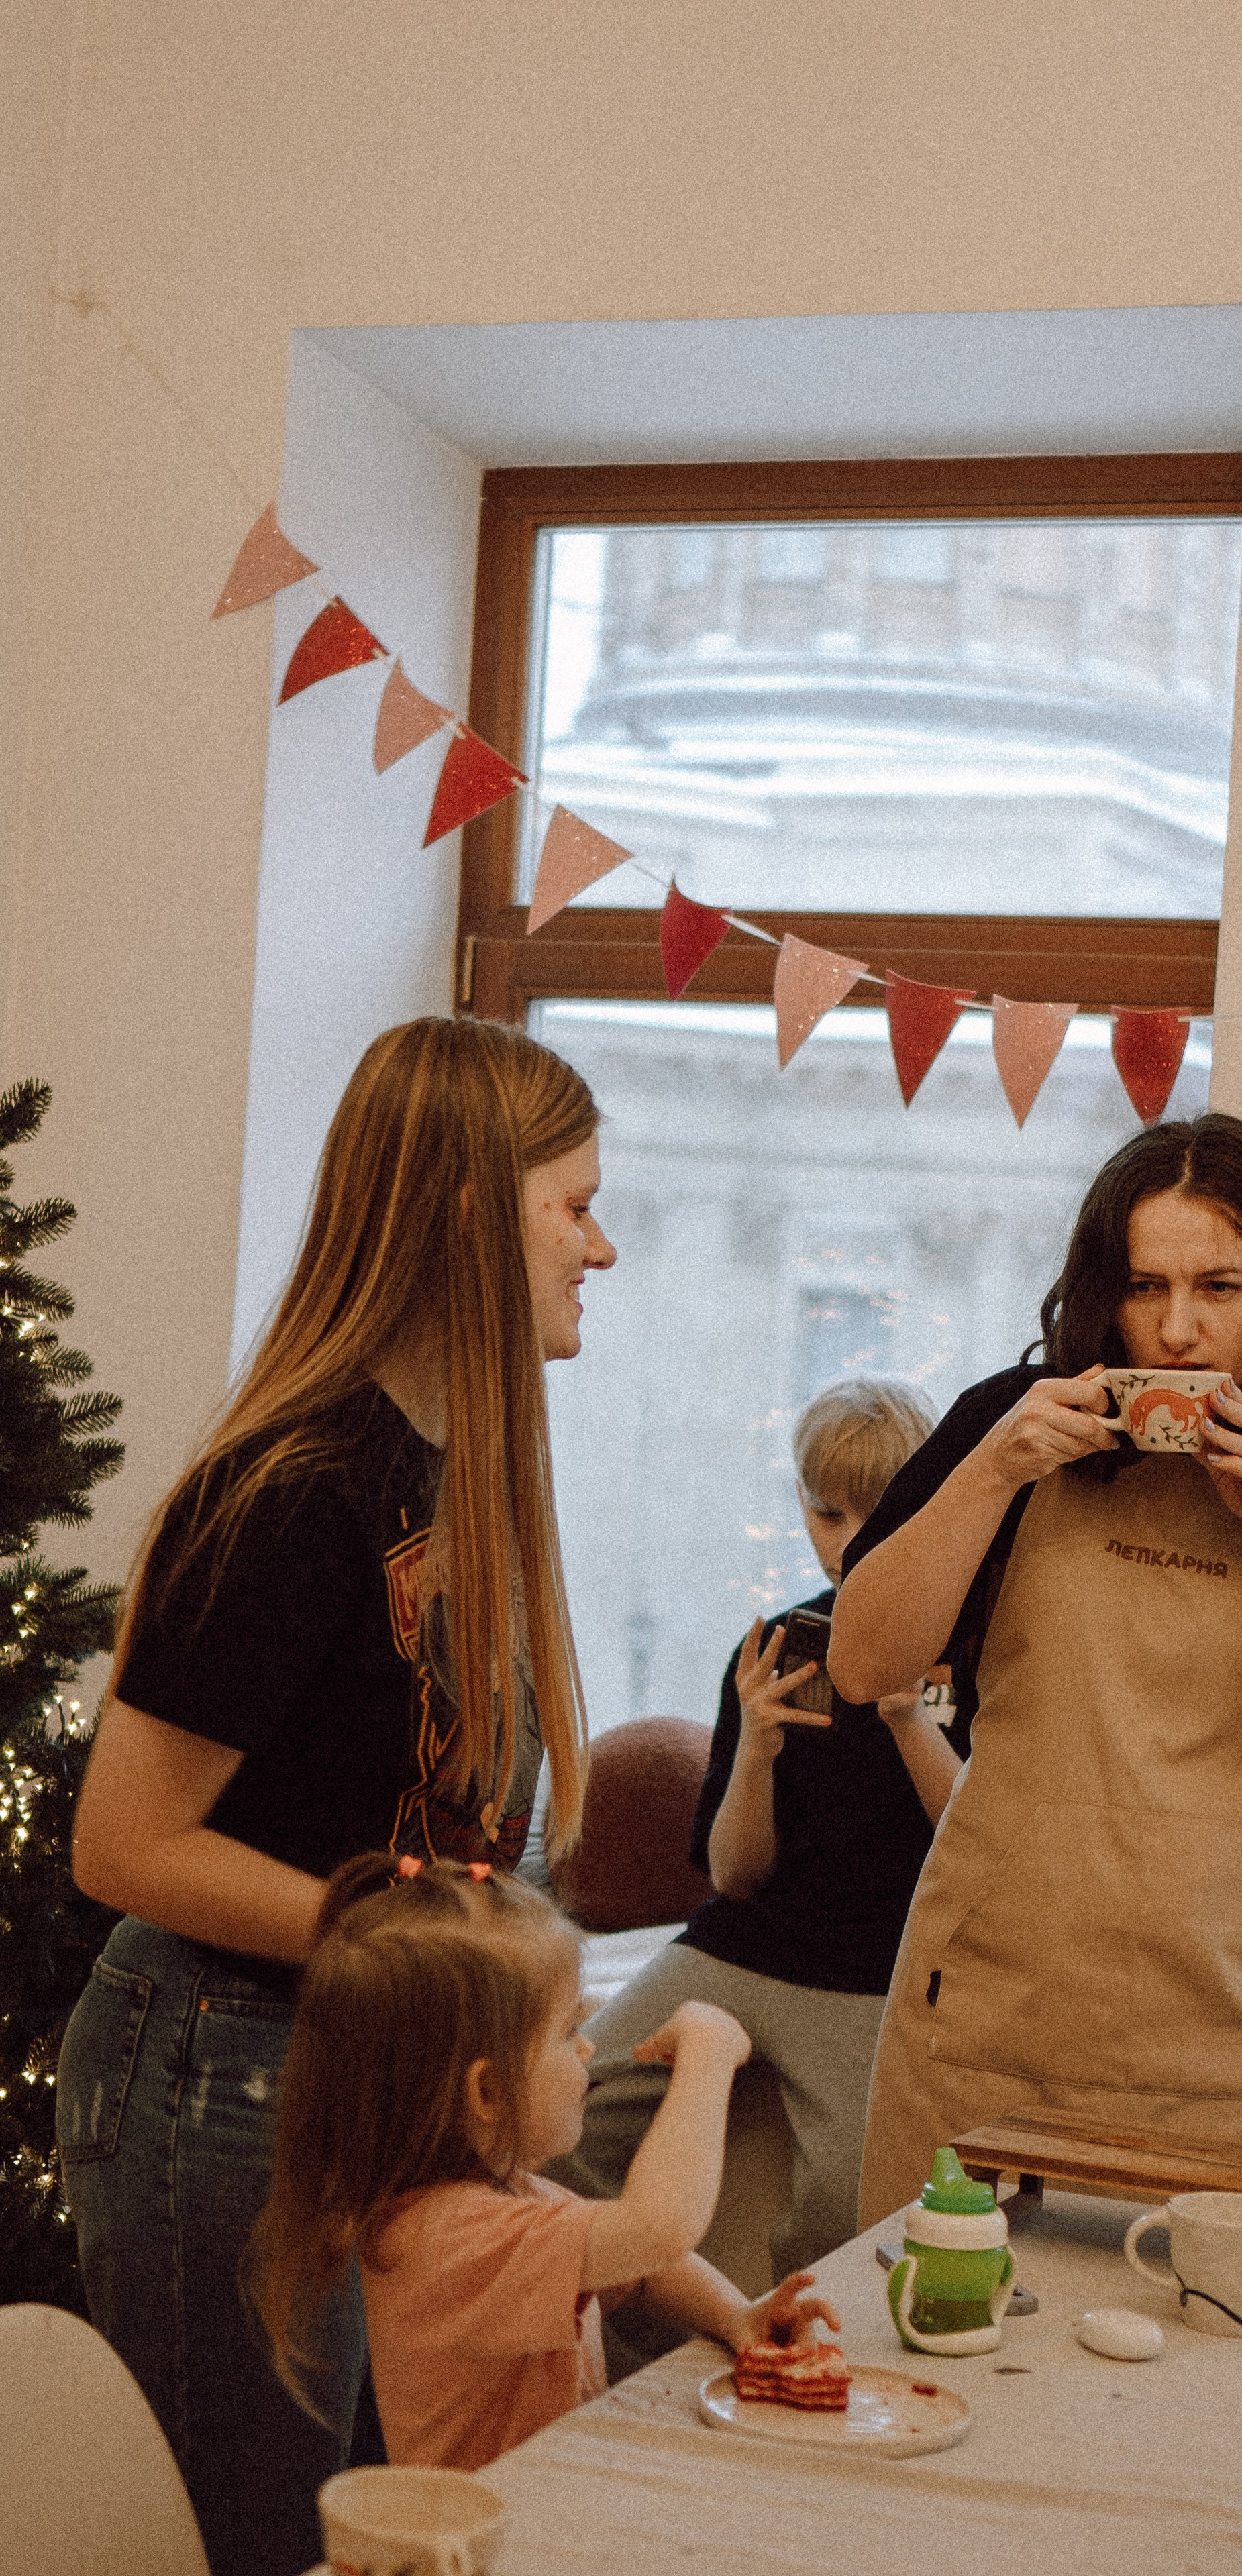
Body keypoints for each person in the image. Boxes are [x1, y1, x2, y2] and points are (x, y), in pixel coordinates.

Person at [56, 1016, 613, 2576]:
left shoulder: (447, 1465)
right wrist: (421, 1950)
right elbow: (126, 1842)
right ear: (461, 1215)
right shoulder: (295, 1486)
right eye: (570, 1201)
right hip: (219, 2079)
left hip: (351, 2074)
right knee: (267, 2540)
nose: (603, 1243)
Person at [829, 1114, 1242, 2225]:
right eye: (1145, 1288)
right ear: (1100, 1295)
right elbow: (864, 1660)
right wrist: (994, 1469)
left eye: (1219, 1288)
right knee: (940, 2337)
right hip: (987, 2021)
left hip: (1225, 2038)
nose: (1177, 1332)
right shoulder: (1002, 1430)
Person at [563, 1379, 964, 2290]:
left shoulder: (968, 1644)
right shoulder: (782, 1643)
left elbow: (975, 1850)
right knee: (568, 2125)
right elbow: (735, 1879)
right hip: (747, 1945)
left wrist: (909, 1720)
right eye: (826, 1512)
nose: (849, 1538)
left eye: (879, 1510)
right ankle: (630, 2362)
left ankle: (785, 2362)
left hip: (878, 1970)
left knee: (852, 2213)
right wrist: (754, 1748)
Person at [248, 1853, 839, 2471]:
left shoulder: (504, 2196)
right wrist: (709, 2054)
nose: (587, 2047)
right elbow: (658, 2227)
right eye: (568, 2031)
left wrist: (735, 2317)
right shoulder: (453, 2238)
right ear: (488, 2092)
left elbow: (642, 2265)